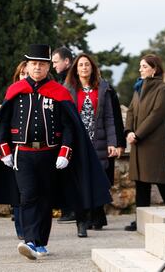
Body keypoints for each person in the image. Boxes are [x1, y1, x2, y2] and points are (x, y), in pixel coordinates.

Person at [0, 44, 111, 260]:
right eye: (33, 64)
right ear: (27, 66)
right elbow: (3, 122)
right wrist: (3, 149)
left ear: (47, 67)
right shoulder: (15, 90)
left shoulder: (59, 92)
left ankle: (41, 242)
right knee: (28, 196)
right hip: (22, 154)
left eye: (41, 64)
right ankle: (30, 241)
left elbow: (70, 126)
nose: (37, 68)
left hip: (49, 154)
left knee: (45, 199)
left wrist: (65, 152)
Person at [64, 53, 117, 236]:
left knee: (97, 179)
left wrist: (112, 142)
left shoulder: (102, 88)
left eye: (87, 65)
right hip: (78, 142)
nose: (84, 68)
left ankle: (97, 215)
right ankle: (82, 220)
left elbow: (109, 118)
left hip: (99, 141)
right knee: (79, 181)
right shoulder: (69, 88)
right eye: (80, 65)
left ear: (92, 68)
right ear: (76, 69)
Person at [124, 54, 165, 231]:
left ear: (155, 69)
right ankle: (141, 220)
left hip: (153, 144)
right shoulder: (139, 87)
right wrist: (129, 131)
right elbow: (131, 111)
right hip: (139, 143)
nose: (140, 69)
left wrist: (137, 134)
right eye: (140, 66)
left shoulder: (163, 90)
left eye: (144, 66)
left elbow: (156, 115)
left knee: (162, 180)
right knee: (141, 182)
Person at [51, 46, 76, 224]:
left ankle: (72, 210)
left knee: (70, 175)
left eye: (55, 62)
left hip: (70, 132)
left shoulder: (71, 82)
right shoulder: (62, 80)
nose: (53, 66)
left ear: (66, 61)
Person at [9, 60, 28, 240]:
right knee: (18, 193)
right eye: (22, 74)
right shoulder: (12, 94)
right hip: (15, 152)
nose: (25, 77)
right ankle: (21, 231)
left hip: (37, 152)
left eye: (27, 73)